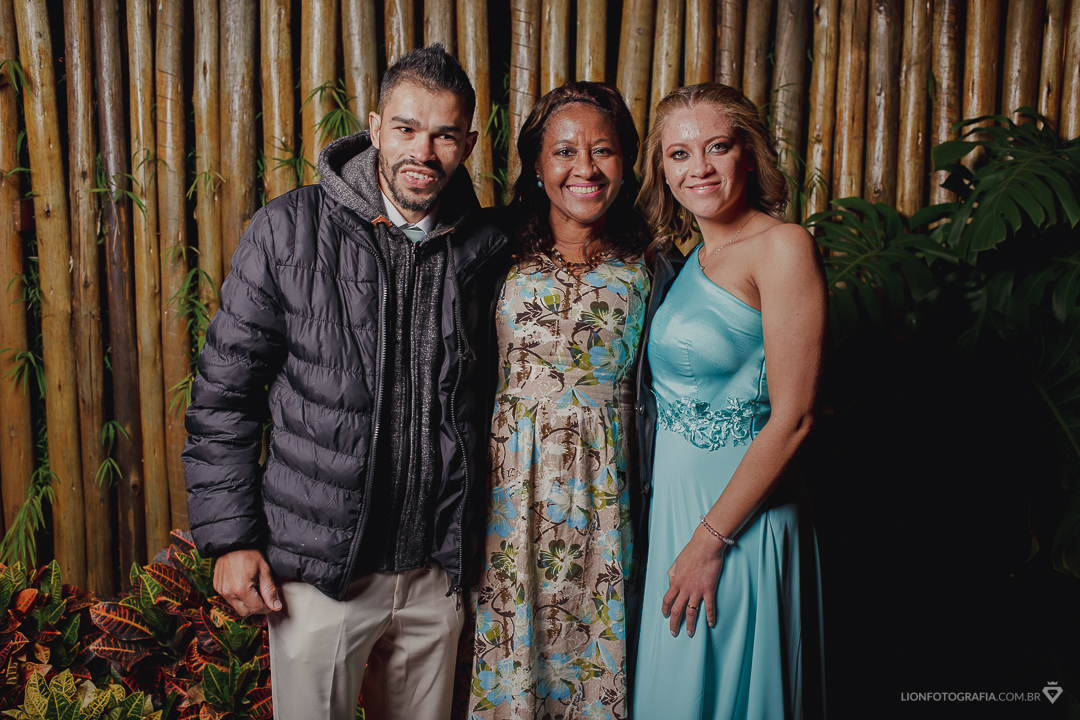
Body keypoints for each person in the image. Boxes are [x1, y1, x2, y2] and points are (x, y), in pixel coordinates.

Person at [182, 45, 509, 720]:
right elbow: (225, 396)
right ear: (375, 126)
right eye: (406, 128)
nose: (423, 151)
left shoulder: (485, 247)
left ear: (470, 144)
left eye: (445, 135)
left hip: (433, 577)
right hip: (320, 575)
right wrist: (232, 539)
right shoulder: (288, 230)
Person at [633, 83, 827, 719]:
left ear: (748, 154)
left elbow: (794, 417)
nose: (700, 168)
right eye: (680, 154)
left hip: (735, 520)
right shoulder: (691, 257)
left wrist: (710, 540)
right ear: (663, 170)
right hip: (677, 514)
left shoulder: (782, 246)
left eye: (717, 147)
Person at [462, 82, 652, 720]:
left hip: (610, 496)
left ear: (625, 161)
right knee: (507, 647)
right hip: (507, 494)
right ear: (537, 166)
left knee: (600, 652)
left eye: (603, 150)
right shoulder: (492, 249)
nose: (585, 168)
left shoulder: (655, 262)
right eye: (565, 151)